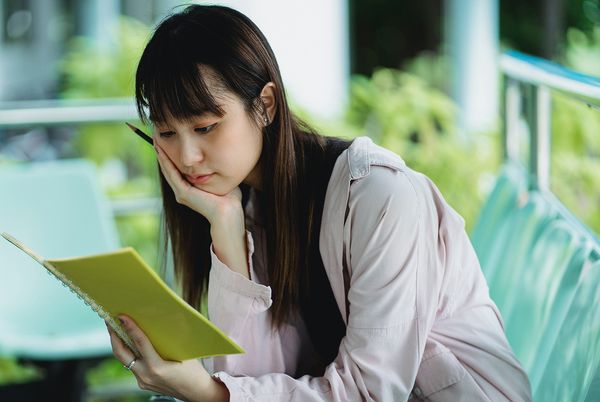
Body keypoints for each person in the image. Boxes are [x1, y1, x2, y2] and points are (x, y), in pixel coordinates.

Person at [106, 4, 532, 401]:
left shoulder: (380, 196)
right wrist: (228, 233)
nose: (186, 157)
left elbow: (370, 392)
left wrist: (209, 391)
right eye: (166, 133)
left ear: (265, 105)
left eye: (205, 127)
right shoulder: (244, 205)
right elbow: (255, 378)